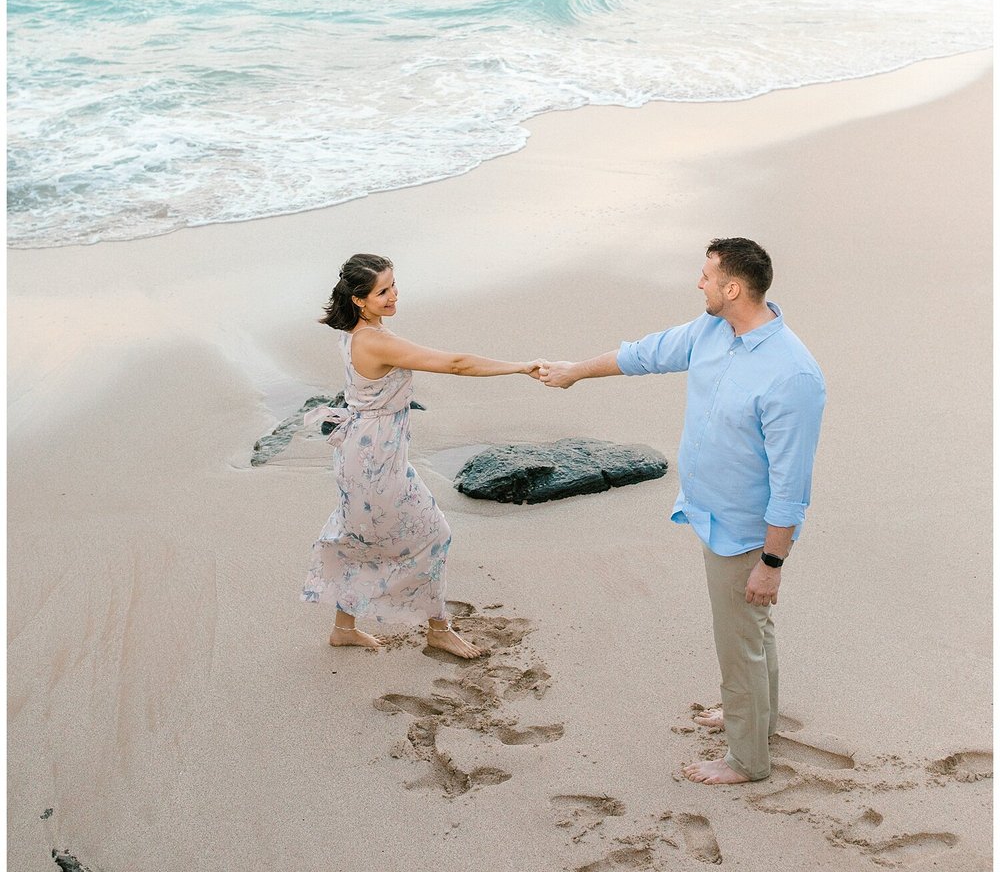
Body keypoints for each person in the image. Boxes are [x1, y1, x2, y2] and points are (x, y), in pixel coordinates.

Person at [538, 238, 825, 785]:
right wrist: (575, 370)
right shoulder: (712, 331)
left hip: (745, 531)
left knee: (738, 640)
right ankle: (754, 718)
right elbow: (643, 354)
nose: (700, 283)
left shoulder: (793, 376)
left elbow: (792, 486)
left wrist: (772, 561)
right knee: (752, 631)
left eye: (707, 275)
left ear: (733, 288)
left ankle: (746, 759)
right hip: (710, 513)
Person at [301, 253, 540, 659]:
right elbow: (457, 364)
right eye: (383, 291)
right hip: (375, 461)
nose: (394, 295)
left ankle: (344, 628)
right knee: (433, 534)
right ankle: (439, 630)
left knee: (359, 538)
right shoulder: (377, 341)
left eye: (394, 284)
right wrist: (520, 367)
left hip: (364, 454)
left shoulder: (358, 332)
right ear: (359, 299)